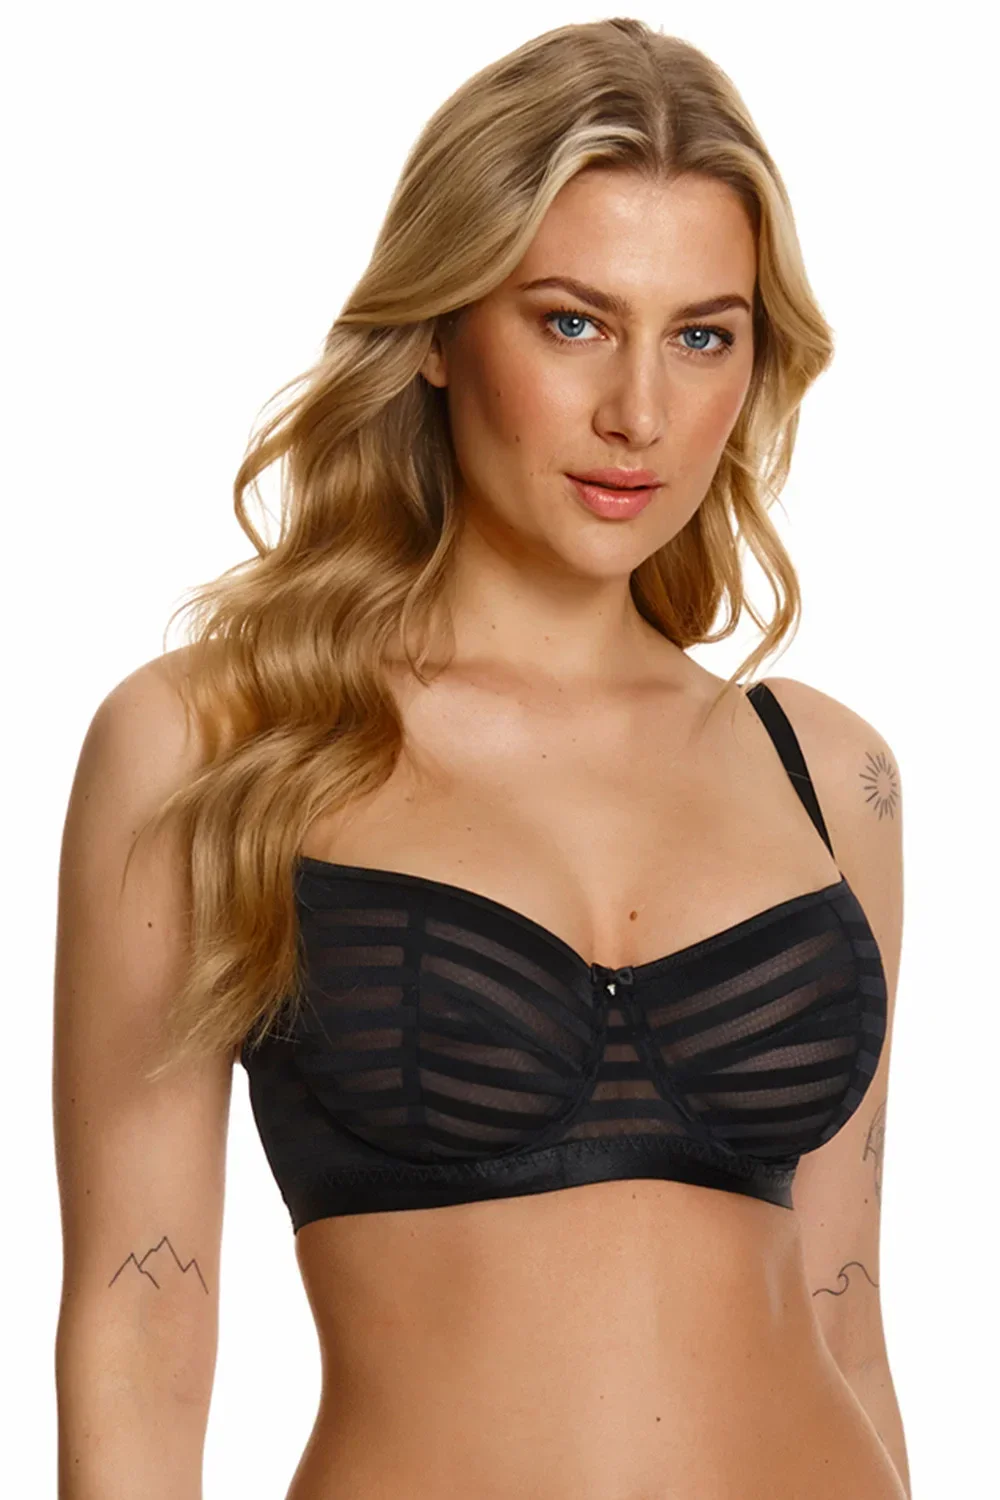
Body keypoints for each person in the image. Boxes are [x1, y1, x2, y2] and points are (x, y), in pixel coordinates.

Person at [53, 17, 910, 1500]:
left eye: (703, 336)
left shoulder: (828, 774)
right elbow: (142, 1324)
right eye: (573, 322)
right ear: (441, 334)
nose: (640, 412)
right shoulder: (216, 742)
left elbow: (847, 1313)